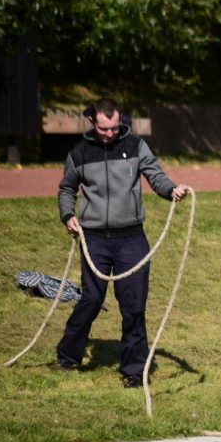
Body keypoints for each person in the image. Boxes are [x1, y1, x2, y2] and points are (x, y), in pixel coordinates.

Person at [56, 98, 188, 388]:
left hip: (131, 238)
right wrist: (68, 216)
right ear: (92, 122)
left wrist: (171, 190)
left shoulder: (136, 146)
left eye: (115, 127)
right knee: (91, 299)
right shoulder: (79, 152)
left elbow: (155, 175)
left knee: (133, 306)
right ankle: (68, 355)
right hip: (94, 240)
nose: (110, 134)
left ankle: (134, 370)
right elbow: (67, 188)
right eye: (104, 129)